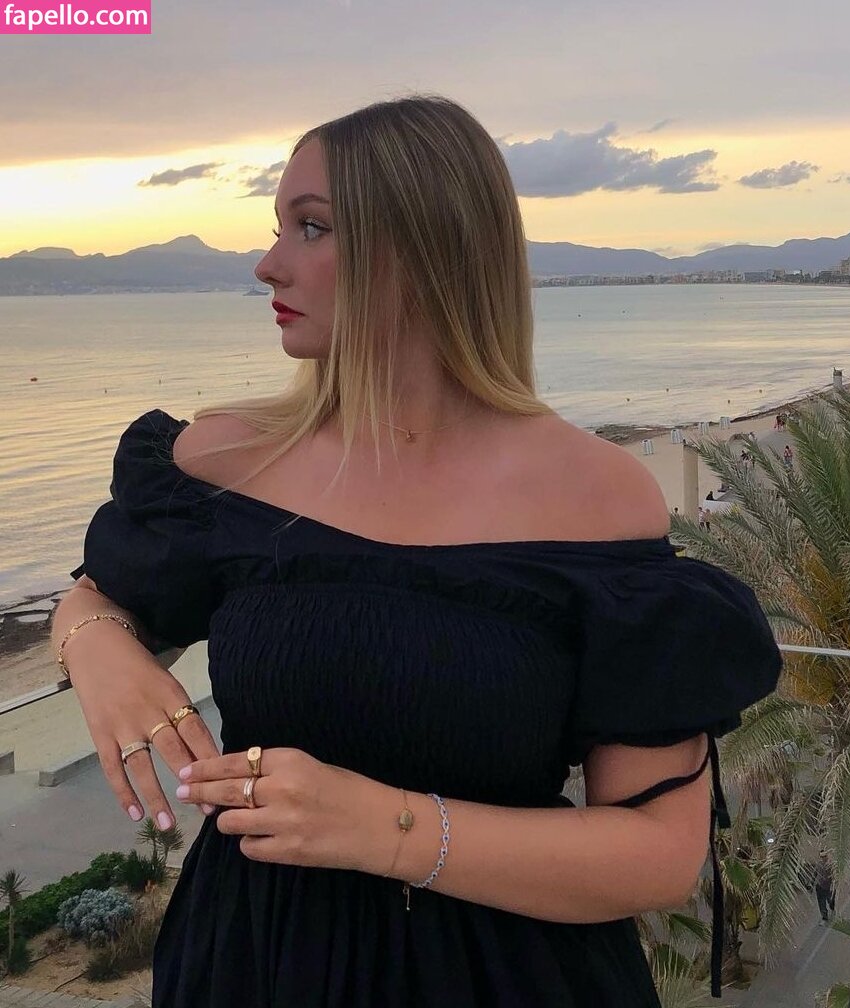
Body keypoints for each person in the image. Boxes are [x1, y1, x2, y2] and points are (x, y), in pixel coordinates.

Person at [50, 94, 782, 1007]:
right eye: (277, 227)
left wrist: (383, 828)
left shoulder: (595, 496)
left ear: (424, 250)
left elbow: (657, 856)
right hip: (253, 964)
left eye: (311, 227)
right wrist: (94, 643)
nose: (268, 263)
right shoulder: (229, 459)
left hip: (504, 979)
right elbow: (99, 594)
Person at [815, 851, 837, 924]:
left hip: (828, 886)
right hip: (820, 886)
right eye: (821, 857)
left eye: (824, 856)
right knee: (821, 902)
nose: (823, 858)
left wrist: (834, 884)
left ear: (827, 856)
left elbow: (834, 875)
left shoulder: (831, 864)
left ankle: (832, 905)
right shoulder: (818, 864)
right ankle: (824, 916)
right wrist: (811, 883)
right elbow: (815, 873)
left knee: (830, 900)